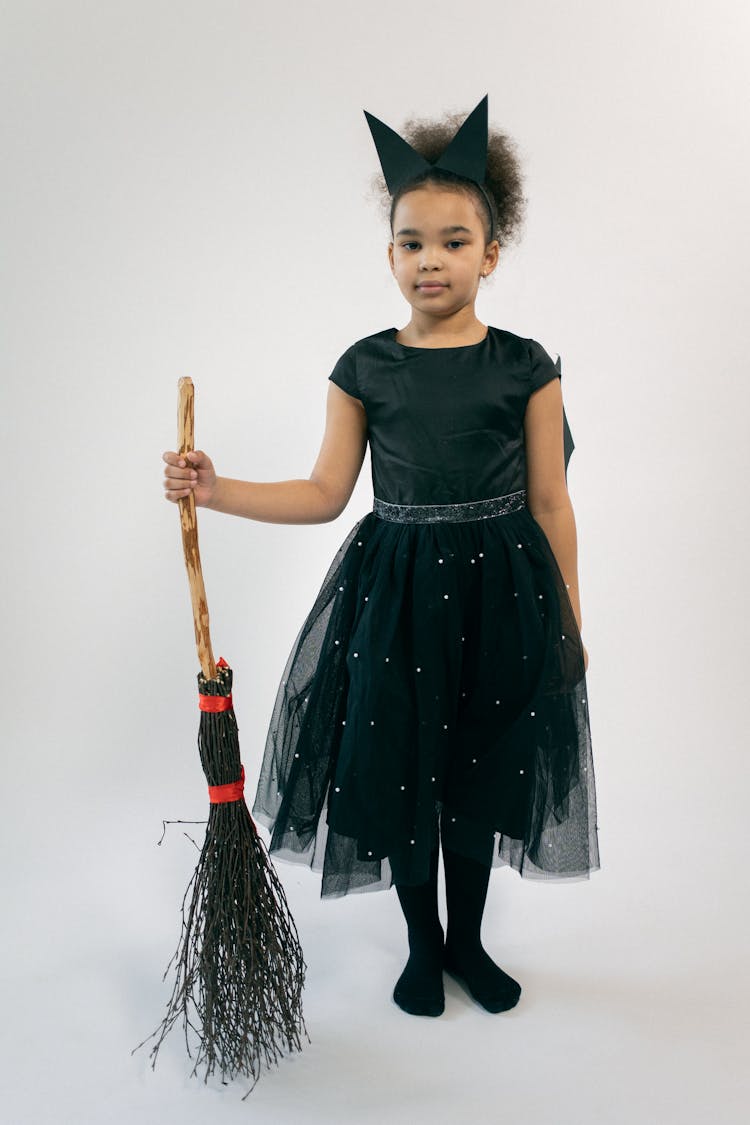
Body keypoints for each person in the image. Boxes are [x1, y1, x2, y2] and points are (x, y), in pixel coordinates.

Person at [162, 96, 600, 1021]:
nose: (430, 259)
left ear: (491, 251)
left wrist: (567, 615)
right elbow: (325, 492)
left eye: (452, 240)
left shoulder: (528, 367)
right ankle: (419, 946)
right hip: (396, 596)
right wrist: (217, 488)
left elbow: (553, 500)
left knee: (480, 776)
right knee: (403, 769)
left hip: (500, 594)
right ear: (389, 254)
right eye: (411, 242)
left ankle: (468, 943)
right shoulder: (365, 366)